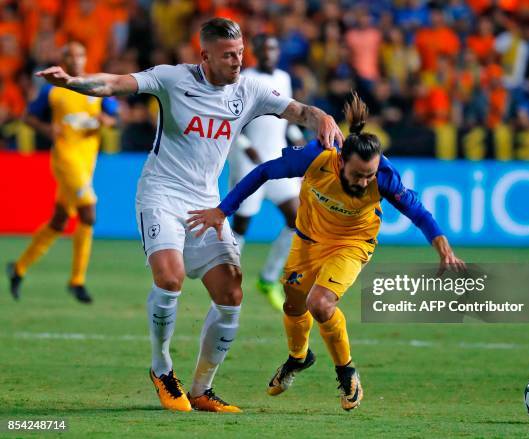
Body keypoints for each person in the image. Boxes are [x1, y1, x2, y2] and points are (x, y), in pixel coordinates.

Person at [33, 17, 343, 413]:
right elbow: (114, 83)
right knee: (170, 276)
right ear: (205, 55)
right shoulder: (172, 79)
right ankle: (162, 369)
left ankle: (201, 389)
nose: (237, 61)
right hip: (161, 194)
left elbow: (298, 111)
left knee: (231, 293)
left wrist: (324, 118)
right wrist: (73, 82)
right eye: (229, 55)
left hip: (206, 206)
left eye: (240, 53)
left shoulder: (249, 89)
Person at [186, 93, 465, 411]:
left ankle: (347, 373)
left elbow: (418, 212)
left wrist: (442, 245)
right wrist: (223, 210)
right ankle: (299, 358)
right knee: (293, 305)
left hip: (352, 244)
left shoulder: (384, 177)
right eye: (357, 174)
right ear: (341, 161)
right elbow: (262, 173)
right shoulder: (315, 157)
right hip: (308, 240)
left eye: (369, 176)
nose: (363, 182)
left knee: (319, 303)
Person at [7, 41, 118, 303]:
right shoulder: (52, 91)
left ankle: (18, 268)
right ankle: (77, 280)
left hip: (87, 159)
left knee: (59, 221)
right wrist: (47, 130)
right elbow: (28, 117)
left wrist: (107, 121)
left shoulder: (93, 84)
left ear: (85, 57)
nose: (76, 59)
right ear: (64, 60)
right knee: (88, 210)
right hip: (65, 157)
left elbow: (115, 117)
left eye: (80, 54)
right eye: (70, 55)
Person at [229, 33, 304, 311]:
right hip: (250, 163)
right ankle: (228, 278)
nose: (270, 52)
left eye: (274, 47)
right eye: (265, 48)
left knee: (298, 219)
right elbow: (232, 121)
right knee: (242, 224)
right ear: (256, 53)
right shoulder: (244, 79)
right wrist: (246, 146)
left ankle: (269, 278)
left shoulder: (283, 78)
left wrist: (296, 137)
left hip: (279, 161)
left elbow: (287, 116)